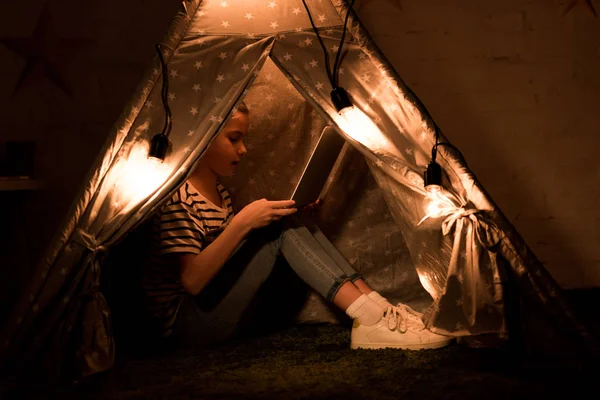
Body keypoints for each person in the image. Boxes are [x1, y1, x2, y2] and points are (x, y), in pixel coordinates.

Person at [141, 102, 451, 350]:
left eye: (244, 139)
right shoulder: (179, 201)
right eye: (234, 138)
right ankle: (370, 318)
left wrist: (269, 219)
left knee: (287, 221)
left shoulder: (219, 192)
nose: (243, 149)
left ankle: (380, 312)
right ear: (203, 138)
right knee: (278, 231)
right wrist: (243, 223)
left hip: (216, 308)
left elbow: (226, 260)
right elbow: (192, 281)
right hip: (185, 328)